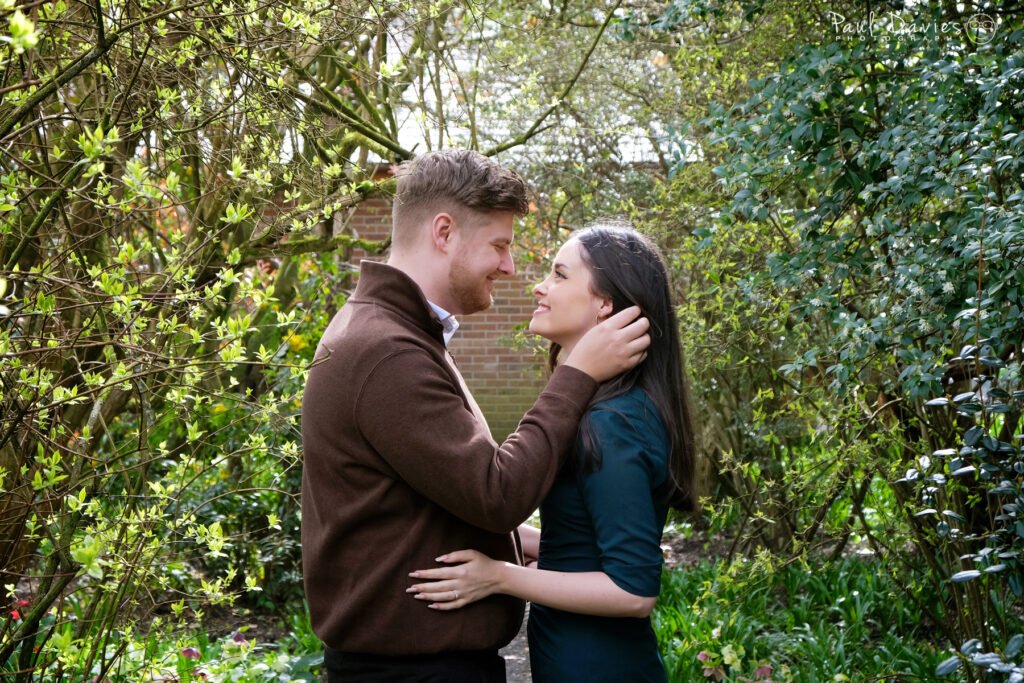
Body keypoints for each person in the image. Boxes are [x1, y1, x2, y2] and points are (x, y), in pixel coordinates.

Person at [300, 150, 652, 683]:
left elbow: (441, 497)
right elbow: (496, 493)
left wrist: (526, 551)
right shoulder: (387, 351)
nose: (511, 267)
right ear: (444, 232)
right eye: (500, 245)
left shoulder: (399, 335)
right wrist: (576, 374)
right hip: (411, 674)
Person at [407, 223, 698, 683]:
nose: (539, 286)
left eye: (560, 275)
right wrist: (511, 538)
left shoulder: (614, 423)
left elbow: (633, 590)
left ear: (605, 304)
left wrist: (500, 576)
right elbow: (589, 539)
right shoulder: (600, 409)